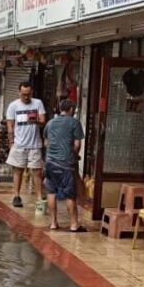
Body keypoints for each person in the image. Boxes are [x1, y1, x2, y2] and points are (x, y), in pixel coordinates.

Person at [43, 98, 86, 231]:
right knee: (69, 194)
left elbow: (46, 142)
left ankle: (53, 223)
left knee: (51, 192)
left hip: (50, 162)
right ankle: (74, 225)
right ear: (72, 110)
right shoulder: (74, 122)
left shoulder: (50, 122)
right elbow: (77, 144)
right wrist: (73, 154)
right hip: (65, 164)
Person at [5, 81, 46, 208]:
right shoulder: (13, 106)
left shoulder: (38, 103)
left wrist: (35, 120)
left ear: (31, 92)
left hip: (35, 144)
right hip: (19, 144)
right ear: (19, 92)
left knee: (37, 172)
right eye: (23, 94)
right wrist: (11, 142)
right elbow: (10, 125)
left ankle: (39, 197)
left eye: (28, 94)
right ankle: (17, 196)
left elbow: (43, 121)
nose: (26, 97)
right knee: (18, 170)